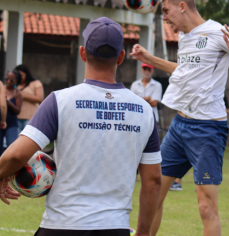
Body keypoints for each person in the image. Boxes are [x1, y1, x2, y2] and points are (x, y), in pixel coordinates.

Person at [0, 17, 162, 236]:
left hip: (62, 226)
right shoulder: (144, 111)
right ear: (121, 57)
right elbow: (153, 180)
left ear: (83, 53)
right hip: (114, 228)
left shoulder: (59, 101)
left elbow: (16, 156)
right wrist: (143, 232)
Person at [130, 0, 229, 235]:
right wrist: (149, 58)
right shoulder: (184, 36)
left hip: (208, 131)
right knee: (152, 195)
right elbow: (184, 70)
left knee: (206, 208)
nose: (164, 17)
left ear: (182, 6)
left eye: (165, 11)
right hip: (179, 127)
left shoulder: (218, 33)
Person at [14, 64, 44, 133]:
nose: (20, 78)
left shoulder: (35, 83)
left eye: (21, 75)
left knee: (29, 138)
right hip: (16, 117)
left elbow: (40, 98)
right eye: (18, 75)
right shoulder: (14, 84)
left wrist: (22, 95)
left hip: (31, 117)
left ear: (27, 74)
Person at [1, 70, 22, 155]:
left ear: (16, 81)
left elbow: (18, 111)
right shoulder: (1, 89)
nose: (8, 81)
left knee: (12, 148)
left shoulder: (17, 93)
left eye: (11, 80)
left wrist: (9, 103)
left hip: (11, 123)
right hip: (0, 122)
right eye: (7, 79)